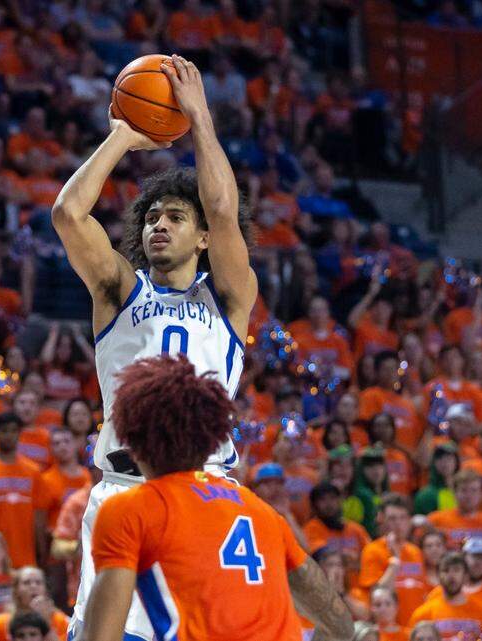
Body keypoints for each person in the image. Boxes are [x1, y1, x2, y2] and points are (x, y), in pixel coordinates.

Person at [51, 55, 257, 639]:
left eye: (174, 217)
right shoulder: (119, 289)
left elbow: (222, 208)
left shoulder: (230, 299)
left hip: (206, 492)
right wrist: (122, 133)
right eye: (151, 218)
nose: (158, 226)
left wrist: (198, 118)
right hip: (125, 491)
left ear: (203, 238)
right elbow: (68, 213)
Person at [80, 354, 353, 641]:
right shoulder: (259, 510)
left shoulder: (130, 508)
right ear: (212, 440)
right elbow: (341, 626)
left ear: (132, 442)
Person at [0, 413, 49, 570]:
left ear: (19, 434)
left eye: (14, 431)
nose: (9, 436)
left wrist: (41, 551)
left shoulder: (33, 471)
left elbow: (39, 516)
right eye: (4, 431)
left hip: (26, 555)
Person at [358, 494, 429, 626]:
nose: (398, 523)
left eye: (403, 518)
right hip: (389, 631)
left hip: (414, 630)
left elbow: (421, 591)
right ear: (382, 520)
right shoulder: (372, 550)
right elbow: (376, 595)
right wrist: (394, 562)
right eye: (392, 518)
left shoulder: (416, 552)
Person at [408, 552, 482, 641]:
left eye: (456, 570)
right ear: (438, 575)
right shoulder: (422, 615)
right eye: (446, 570)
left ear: (465, 576)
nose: (451, 576)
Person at [0, 567, 69, 641]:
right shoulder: (1, 623)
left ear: (45, 590)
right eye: (27, 583)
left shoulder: (60, 620)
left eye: (38, 583)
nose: (33, 586)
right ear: (16, 590)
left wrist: (46, 621)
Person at [426, 469, 482, 549]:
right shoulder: (435, 520)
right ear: (454, 492)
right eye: (463, 490)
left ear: (481, 493)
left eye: (474, 490)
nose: (469, 495)